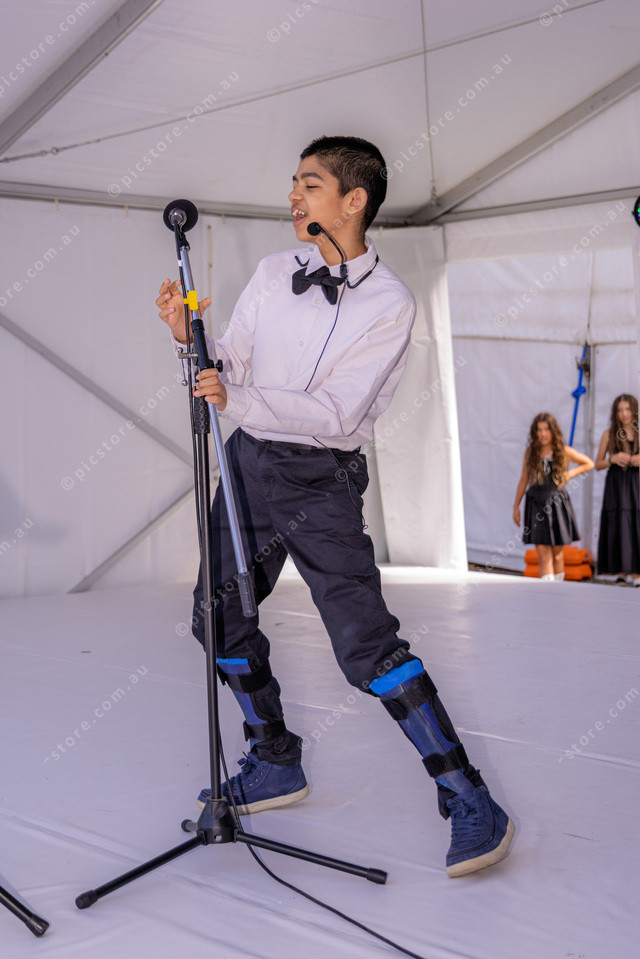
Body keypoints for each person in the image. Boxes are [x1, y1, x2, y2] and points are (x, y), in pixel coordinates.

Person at [156, 135, 514, 878]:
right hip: (248, 460)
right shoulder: (272, 271)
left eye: (310, 184)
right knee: (216, 616)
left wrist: (237, 395)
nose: (294, 196)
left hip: (318, 476)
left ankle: (468, 795)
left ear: (354, 200)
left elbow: (337, 410)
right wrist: (191, 340)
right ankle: (274, 758)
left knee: (365, 645)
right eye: (295, 182)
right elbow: (232, 364)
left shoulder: (390, 303)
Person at [513, 413, 593, 579]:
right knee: (543, 554)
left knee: (557, 554)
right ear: (534, 432)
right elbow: (523, 479)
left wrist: (569, 474)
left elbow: (588, 463)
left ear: (553, 431)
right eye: (539, 430)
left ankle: (558, 588)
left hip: (556, 502)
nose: (543, 434)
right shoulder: (530, 452)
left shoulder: (563, 451)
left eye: (546, 429)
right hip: (536, 502)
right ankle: (547, 589)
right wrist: (516, 506)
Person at [595, 394, 640, 585]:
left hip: (636, 484)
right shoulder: (608, 434)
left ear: (634, 411)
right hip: (616, 485)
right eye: (620, 410)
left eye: (628, 409)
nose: (624, 414)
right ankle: (621, 570)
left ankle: (636, 572)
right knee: (618, 522)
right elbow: (597, 464)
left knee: (635, 522)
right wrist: (612, 459)